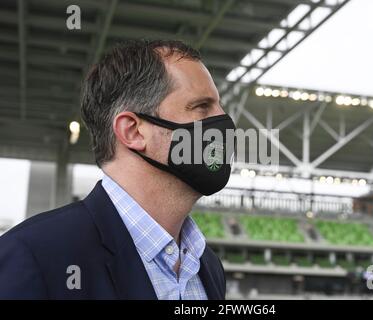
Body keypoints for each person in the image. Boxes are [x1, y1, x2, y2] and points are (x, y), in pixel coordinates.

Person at [0, 39, 235, 299]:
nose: (224, 122)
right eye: (202, 107)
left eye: (219, 107)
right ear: (133, 131)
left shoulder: (208, 266)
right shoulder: (35, 256)